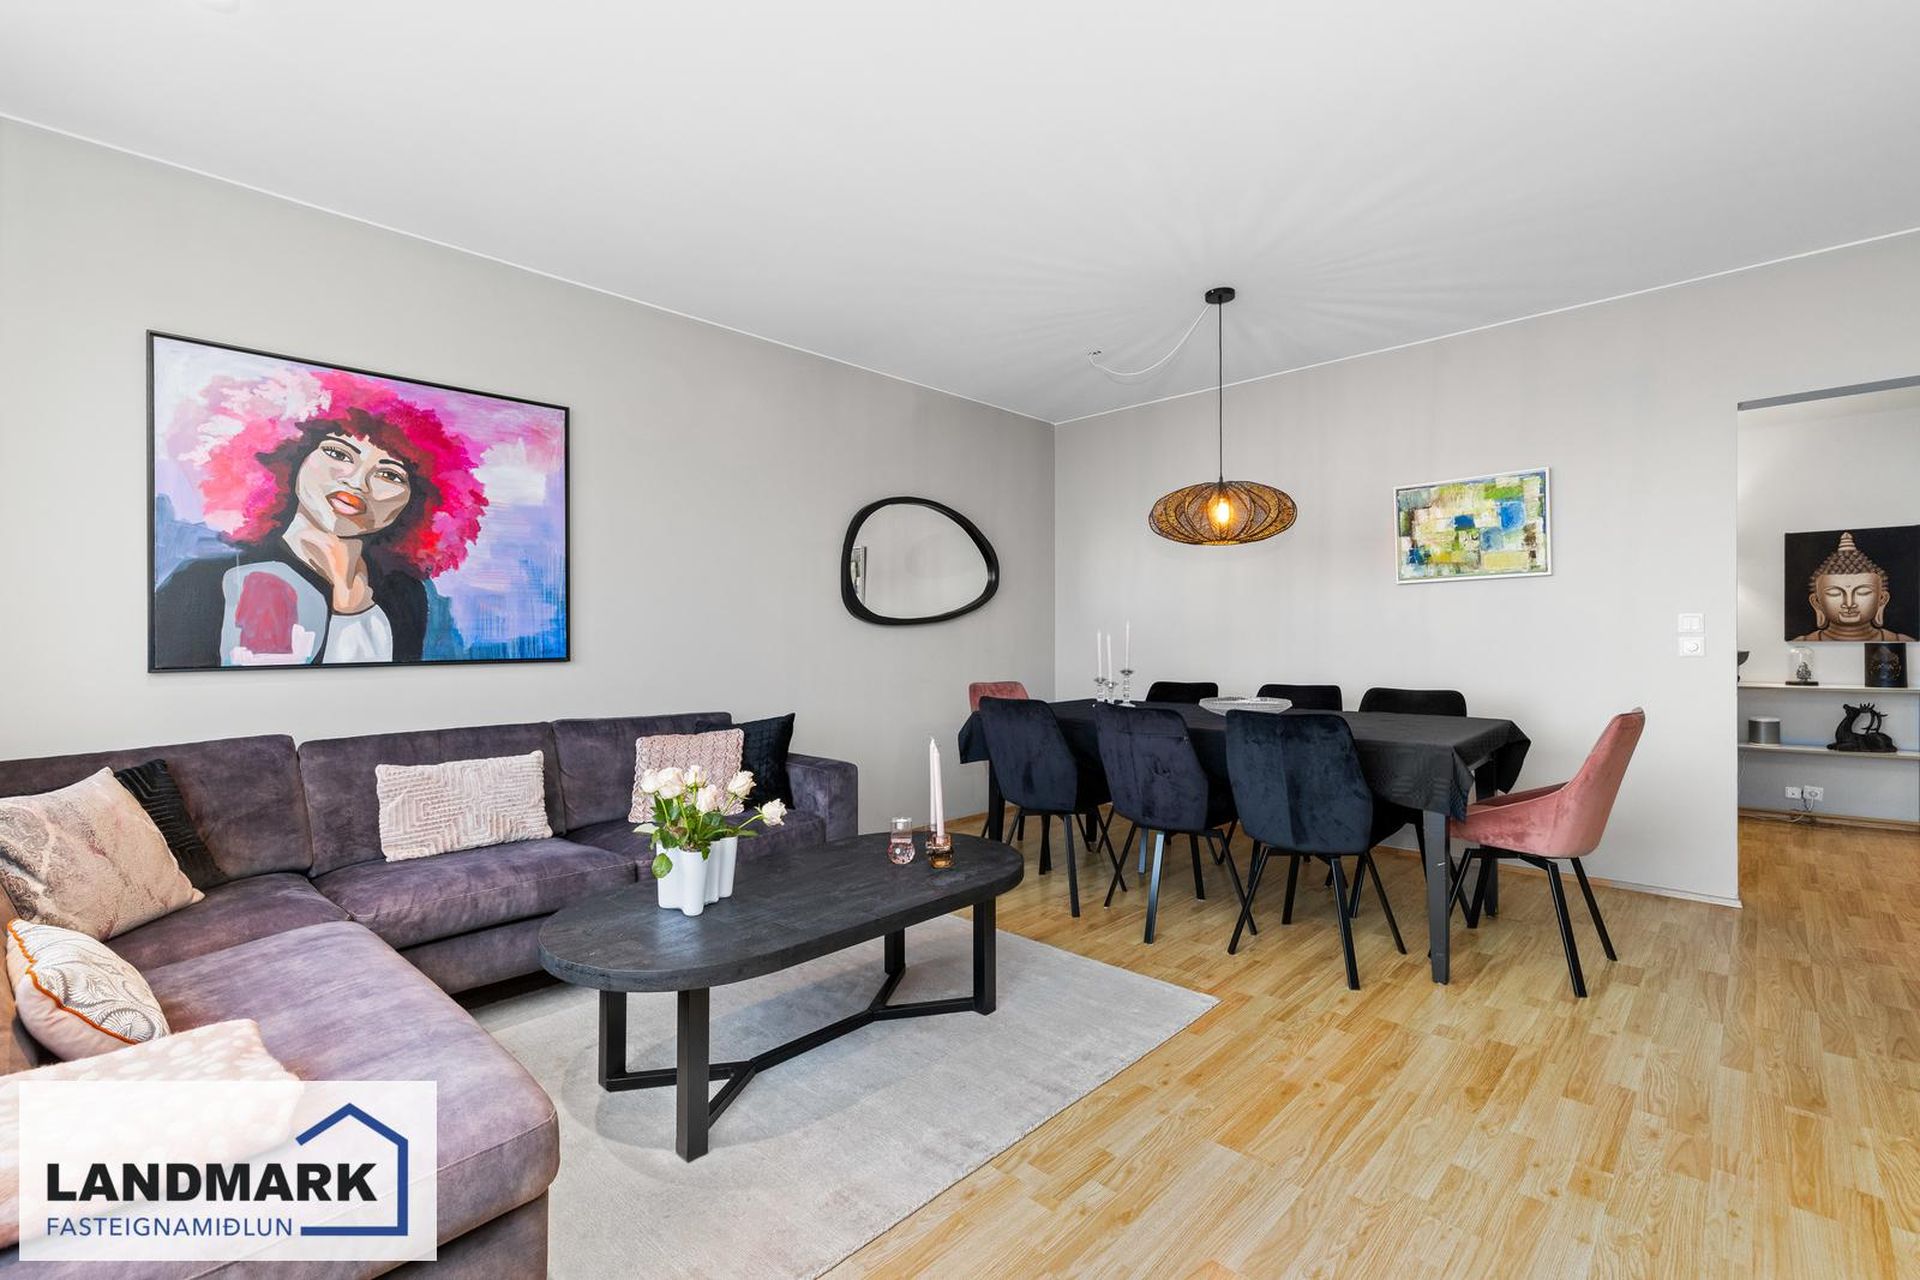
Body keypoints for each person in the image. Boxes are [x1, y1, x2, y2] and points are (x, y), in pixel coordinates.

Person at [153, 372, 487, 668]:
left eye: (389, 475)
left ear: (417, 501)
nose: (356, 482)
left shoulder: (407, 594)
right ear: (293, 456)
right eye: (338, 454)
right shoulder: (207, 582)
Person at [1791, 532, 1917, 643]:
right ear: (1817, 602)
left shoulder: (1900, 640)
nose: (1849, 604)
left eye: (1863, 592)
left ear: (1882, 599)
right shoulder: (1801, 643)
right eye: (1835, 593)